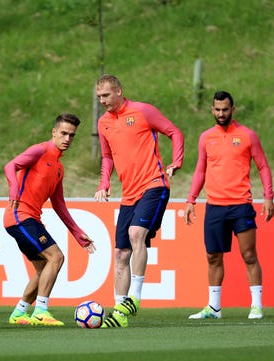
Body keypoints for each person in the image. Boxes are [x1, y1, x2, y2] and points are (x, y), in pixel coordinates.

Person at [94, 74, 184, 328]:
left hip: (154, 184)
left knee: (136, 234)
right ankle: (119, 312)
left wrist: (176, 161)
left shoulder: (143, 111)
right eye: (99, 97)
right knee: (120, 253)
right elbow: (107, 157)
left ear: (119, 91)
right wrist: (104, 183)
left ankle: (135, 297)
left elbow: (174, 132)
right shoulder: (103, 123)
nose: (102, 101)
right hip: (128, 194)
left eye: (106, 95)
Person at [185, 91, 274, 320]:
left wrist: (268, 196)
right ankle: (214, 308)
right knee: (213, 257)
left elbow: (263, 166)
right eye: (217, 109)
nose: (221, 113)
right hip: (215, 206)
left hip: (240, 206)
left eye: (225, 109)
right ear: (212, 110)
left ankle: (256, 306)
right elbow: (200, 170)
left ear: (233, 110)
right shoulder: (206, 137)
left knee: (249, 255)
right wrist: (191, 199)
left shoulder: (247, 136)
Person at [4, 114, 96, 326]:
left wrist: (78, 234)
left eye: (71, 135)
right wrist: (14, 188)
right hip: (20, 216)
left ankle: (19, 312)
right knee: (56, 257)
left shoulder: (58, 168)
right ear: (53, 132)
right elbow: (10, 166)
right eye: (63, 133)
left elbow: (59, 205)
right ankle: (41, 311)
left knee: (45, 266)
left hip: (28, 218)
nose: (67, 139)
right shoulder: (40, 150)